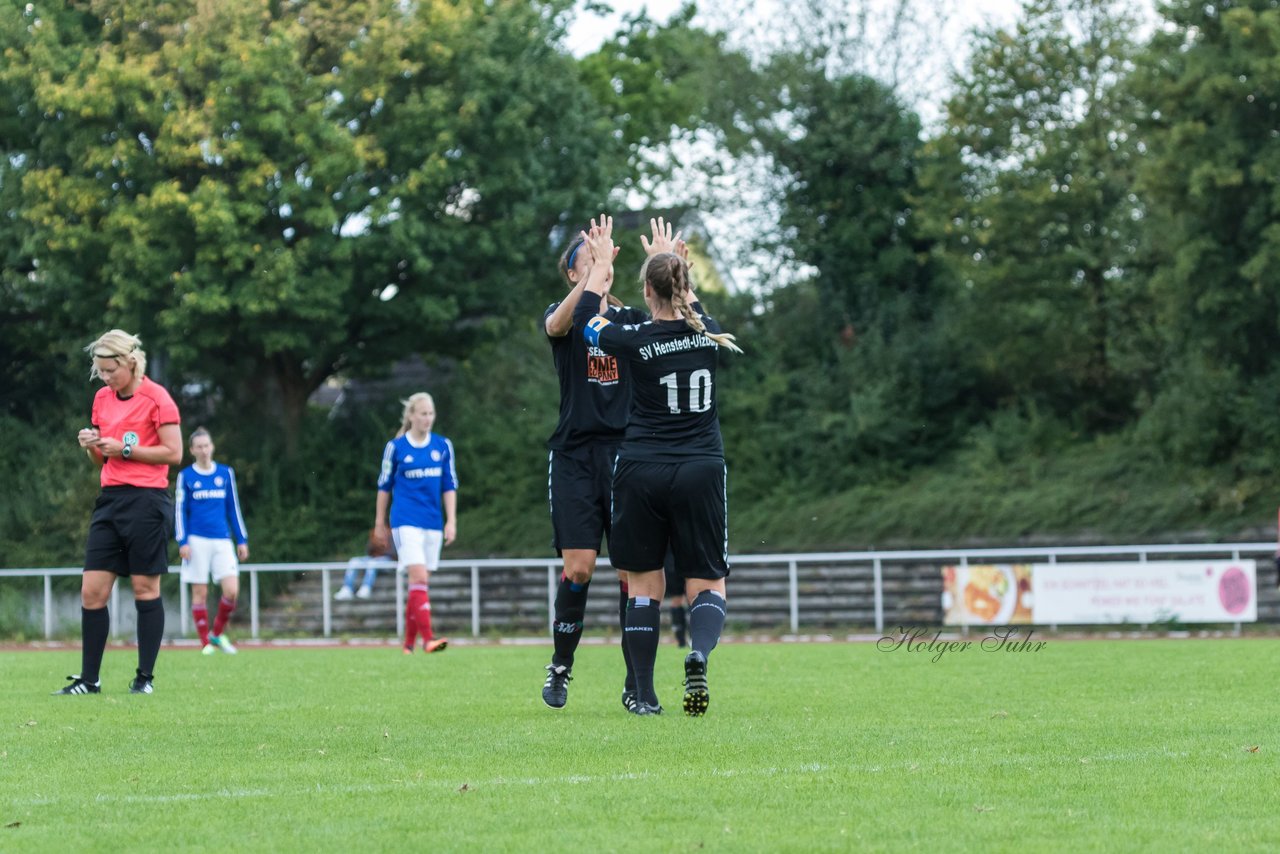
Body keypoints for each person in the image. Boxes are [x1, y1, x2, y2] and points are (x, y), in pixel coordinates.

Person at [575, 216, 741, 716]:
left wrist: (601, 269)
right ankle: (698, 652)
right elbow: (691, 308)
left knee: (645, 586)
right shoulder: (708, 332)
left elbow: (587, 322)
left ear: (646, 292)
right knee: (707, 583)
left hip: (642, 469)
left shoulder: (636, 339)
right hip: (700, 469)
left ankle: (644, 695)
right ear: (686, 286)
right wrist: (673, 265)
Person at [541, 222, 649, 711]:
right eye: (590, 255)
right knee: (580, 568)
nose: (602, 258)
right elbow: (557, 327)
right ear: (572, 272)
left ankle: (635, 683)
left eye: (605, 254)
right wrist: (593, 278)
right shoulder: (562, 315)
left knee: (632, 573)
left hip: (625, 456)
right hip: (575, 457)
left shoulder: (626, 321)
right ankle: (561, 667)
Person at [55, 329, 182, 695]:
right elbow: (102, 458)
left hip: (147, 499)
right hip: (110, 500)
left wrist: (126, 450)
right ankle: (89, 680)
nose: (106, 377)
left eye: (110, 370)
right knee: (91, 592)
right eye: (100, 371)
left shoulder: (158, 399)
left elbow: (173, 454)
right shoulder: (101, 399)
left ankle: (144, 679)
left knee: (145, 589)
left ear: (130, 362)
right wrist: (92, 445)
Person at [375, 392, 457, 654]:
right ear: (411, 415)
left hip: (433, 522)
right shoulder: (396, 448)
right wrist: (380, 522)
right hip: (404, 521)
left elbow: (449, 485)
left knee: (418, 583)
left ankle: (408, 644)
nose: (427, 418)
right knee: (419, 576)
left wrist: (451, 521)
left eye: (431, 413)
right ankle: (428, 639)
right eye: (422, 413)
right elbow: (383, 486)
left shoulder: (443, 446)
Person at [175, 427, 249, 655]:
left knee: (231, 590)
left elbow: (233, 508)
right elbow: (180, 511)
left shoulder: (225, 473)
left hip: (222, 540)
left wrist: (242, 539)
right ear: (192, 450)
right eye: (199, 447)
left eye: (207, 445)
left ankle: (216, 634)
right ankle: (205, 643)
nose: (204, 450)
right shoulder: (186, 476)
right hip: (196, 540)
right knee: (200, 592)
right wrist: (182, 541)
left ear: (212, 447)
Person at [335, 529, 396, 600]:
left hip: (389, 561)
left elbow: (396, 554)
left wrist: (383, 547)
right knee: (354, 561)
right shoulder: (376, 532)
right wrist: (375, 542)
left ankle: (366, 588)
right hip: (373, 559)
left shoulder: (394, 534)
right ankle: (347, 588)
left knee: (373, 563)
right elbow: (368, 551)